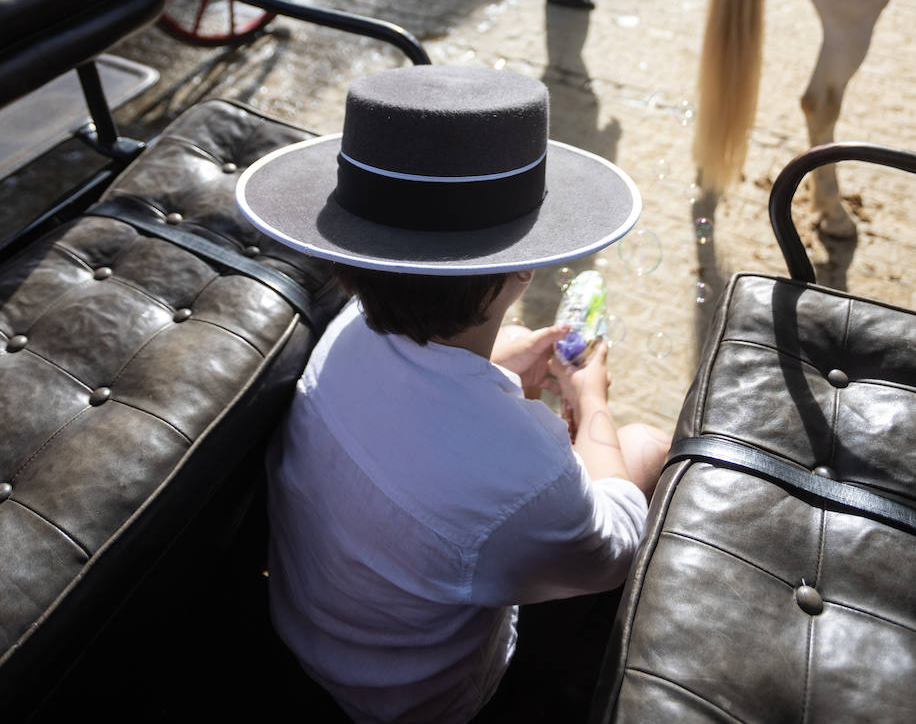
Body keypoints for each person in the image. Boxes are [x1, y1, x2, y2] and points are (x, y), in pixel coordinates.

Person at [236, 62, 669, 724]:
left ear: (358, 256)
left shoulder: (350, 326)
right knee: (651, 445)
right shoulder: (523, 476)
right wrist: (597, 406)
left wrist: (498, 358)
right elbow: (612, 548)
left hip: (311, 637)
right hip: (419, 702)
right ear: (525, 265)